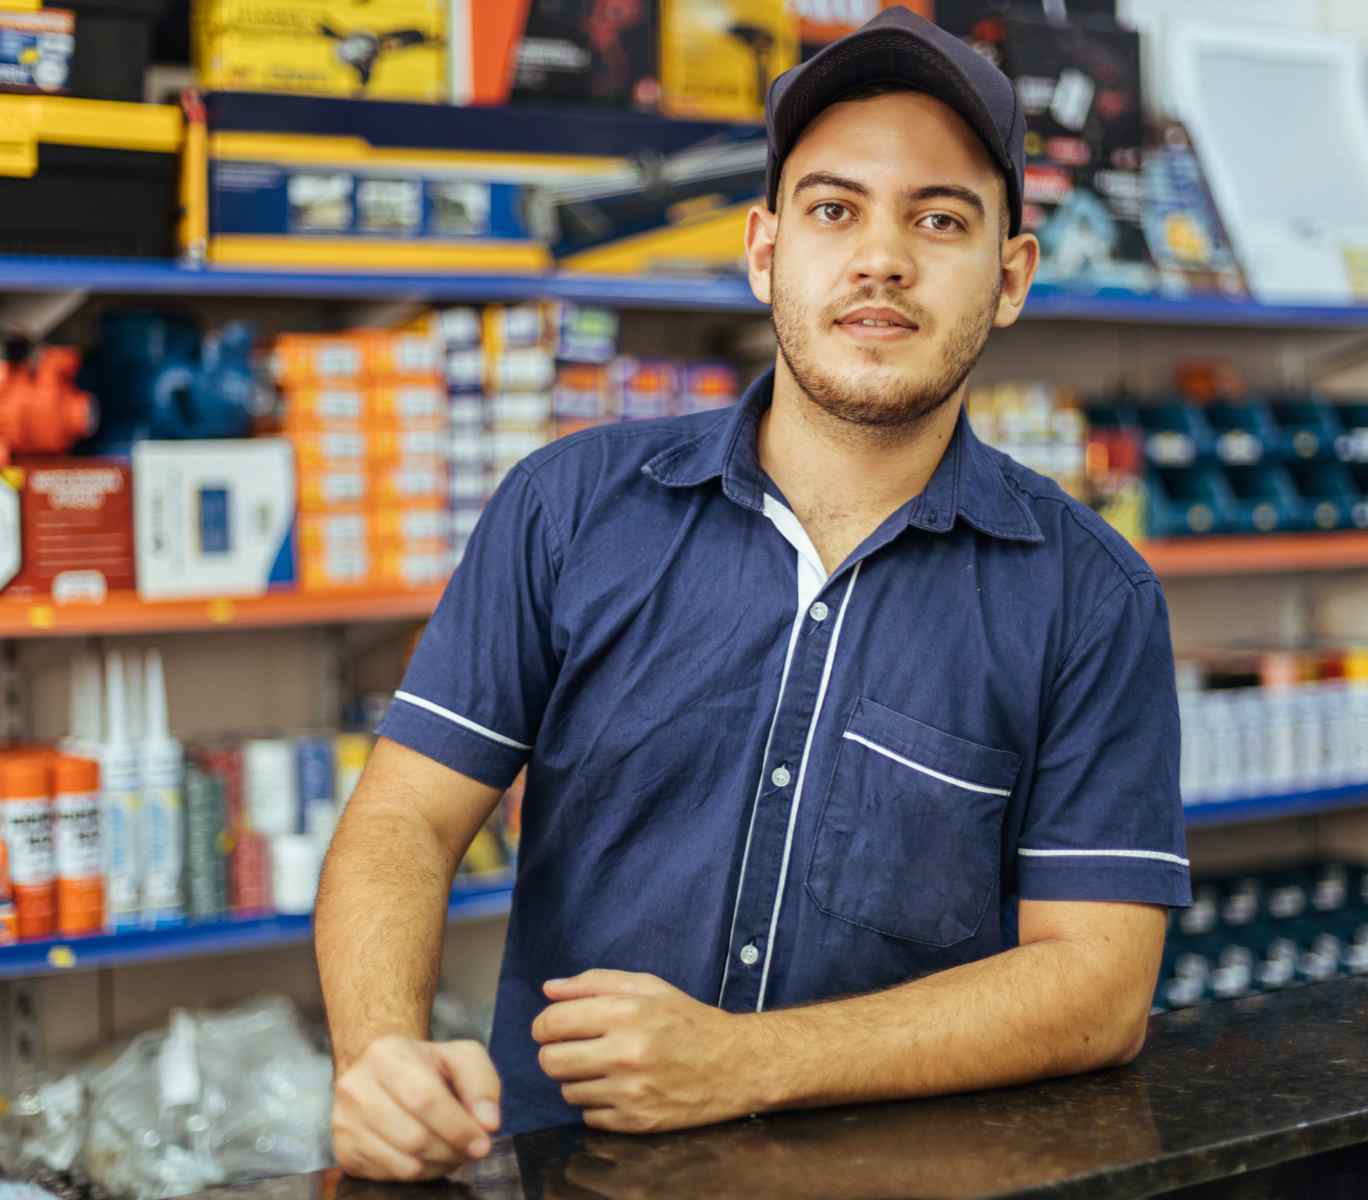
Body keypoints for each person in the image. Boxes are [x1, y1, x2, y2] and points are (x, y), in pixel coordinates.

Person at [315, 5, 1190, 1182]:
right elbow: (403, 819)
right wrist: (378, 1052)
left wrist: (744, 1060)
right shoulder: (569, 510)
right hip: (572, 1175)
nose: (881, 257)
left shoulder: (1089, 596)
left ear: (1012, 274)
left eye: (940, 219)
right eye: (834, 210)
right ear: (766, 249)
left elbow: (1096, 988)